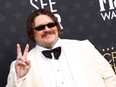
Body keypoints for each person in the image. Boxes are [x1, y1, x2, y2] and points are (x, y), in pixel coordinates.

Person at [6, 9, 116, 87]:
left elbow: (110, 78)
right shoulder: (21, 65)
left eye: (50, 25)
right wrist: (20, 77)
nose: (47, 29)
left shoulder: (84, 47)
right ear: (32, 33)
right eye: (40, 27)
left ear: (57, 27)